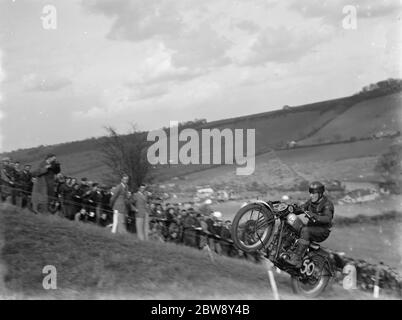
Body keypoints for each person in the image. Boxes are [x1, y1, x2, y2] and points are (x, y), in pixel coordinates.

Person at [287, 181, 335, 268]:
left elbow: (327, 219)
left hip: (322, 231)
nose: (311, 195)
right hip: (310, 227)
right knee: (292, 223)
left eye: (313, 193)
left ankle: (297, 259)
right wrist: (292, 209)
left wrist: (315, 216)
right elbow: (302, 208)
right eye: (310, 193)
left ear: (320, 194)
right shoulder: (311, 202)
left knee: (305, 231)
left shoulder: (327, 204)